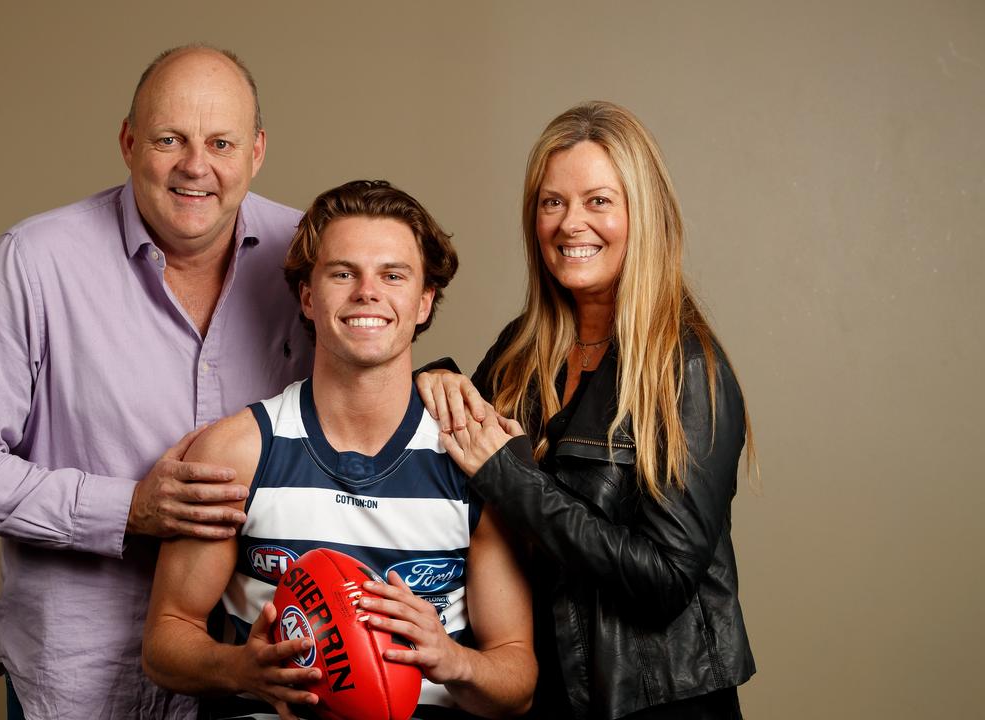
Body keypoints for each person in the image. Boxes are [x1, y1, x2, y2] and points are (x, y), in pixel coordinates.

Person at [0, 45, 313, 719]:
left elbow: (364, 401)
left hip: (262, 676)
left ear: (258, 150)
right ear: (129, 142)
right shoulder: (36, 263)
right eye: (168, 139)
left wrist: (438, 389)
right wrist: (126, 509)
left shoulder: (308, 254)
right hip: (84, 684)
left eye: (221, 142)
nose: (196, 166)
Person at [143, 180, 537, 720]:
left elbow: (517, 680)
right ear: (308, 295)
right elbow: (166, 641)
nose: (367, 292)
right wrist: (241, 670)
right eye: (343, 273)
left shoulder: (473, 459)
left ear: (424, 302)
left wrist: (452, 660)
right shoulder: (237, 453)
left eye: (393, 275)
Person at [418, 101, 757, 719]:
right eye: (552, 203)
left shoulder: (686, 370)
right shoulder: (524, 347)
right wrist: (431, 377)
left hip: (657, 705)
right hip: (545, 695)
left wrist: (512, 479)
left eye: (598, 201)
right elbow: (464, 461)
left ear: (642, 216)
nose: (570, 223)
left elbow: (665, 582)